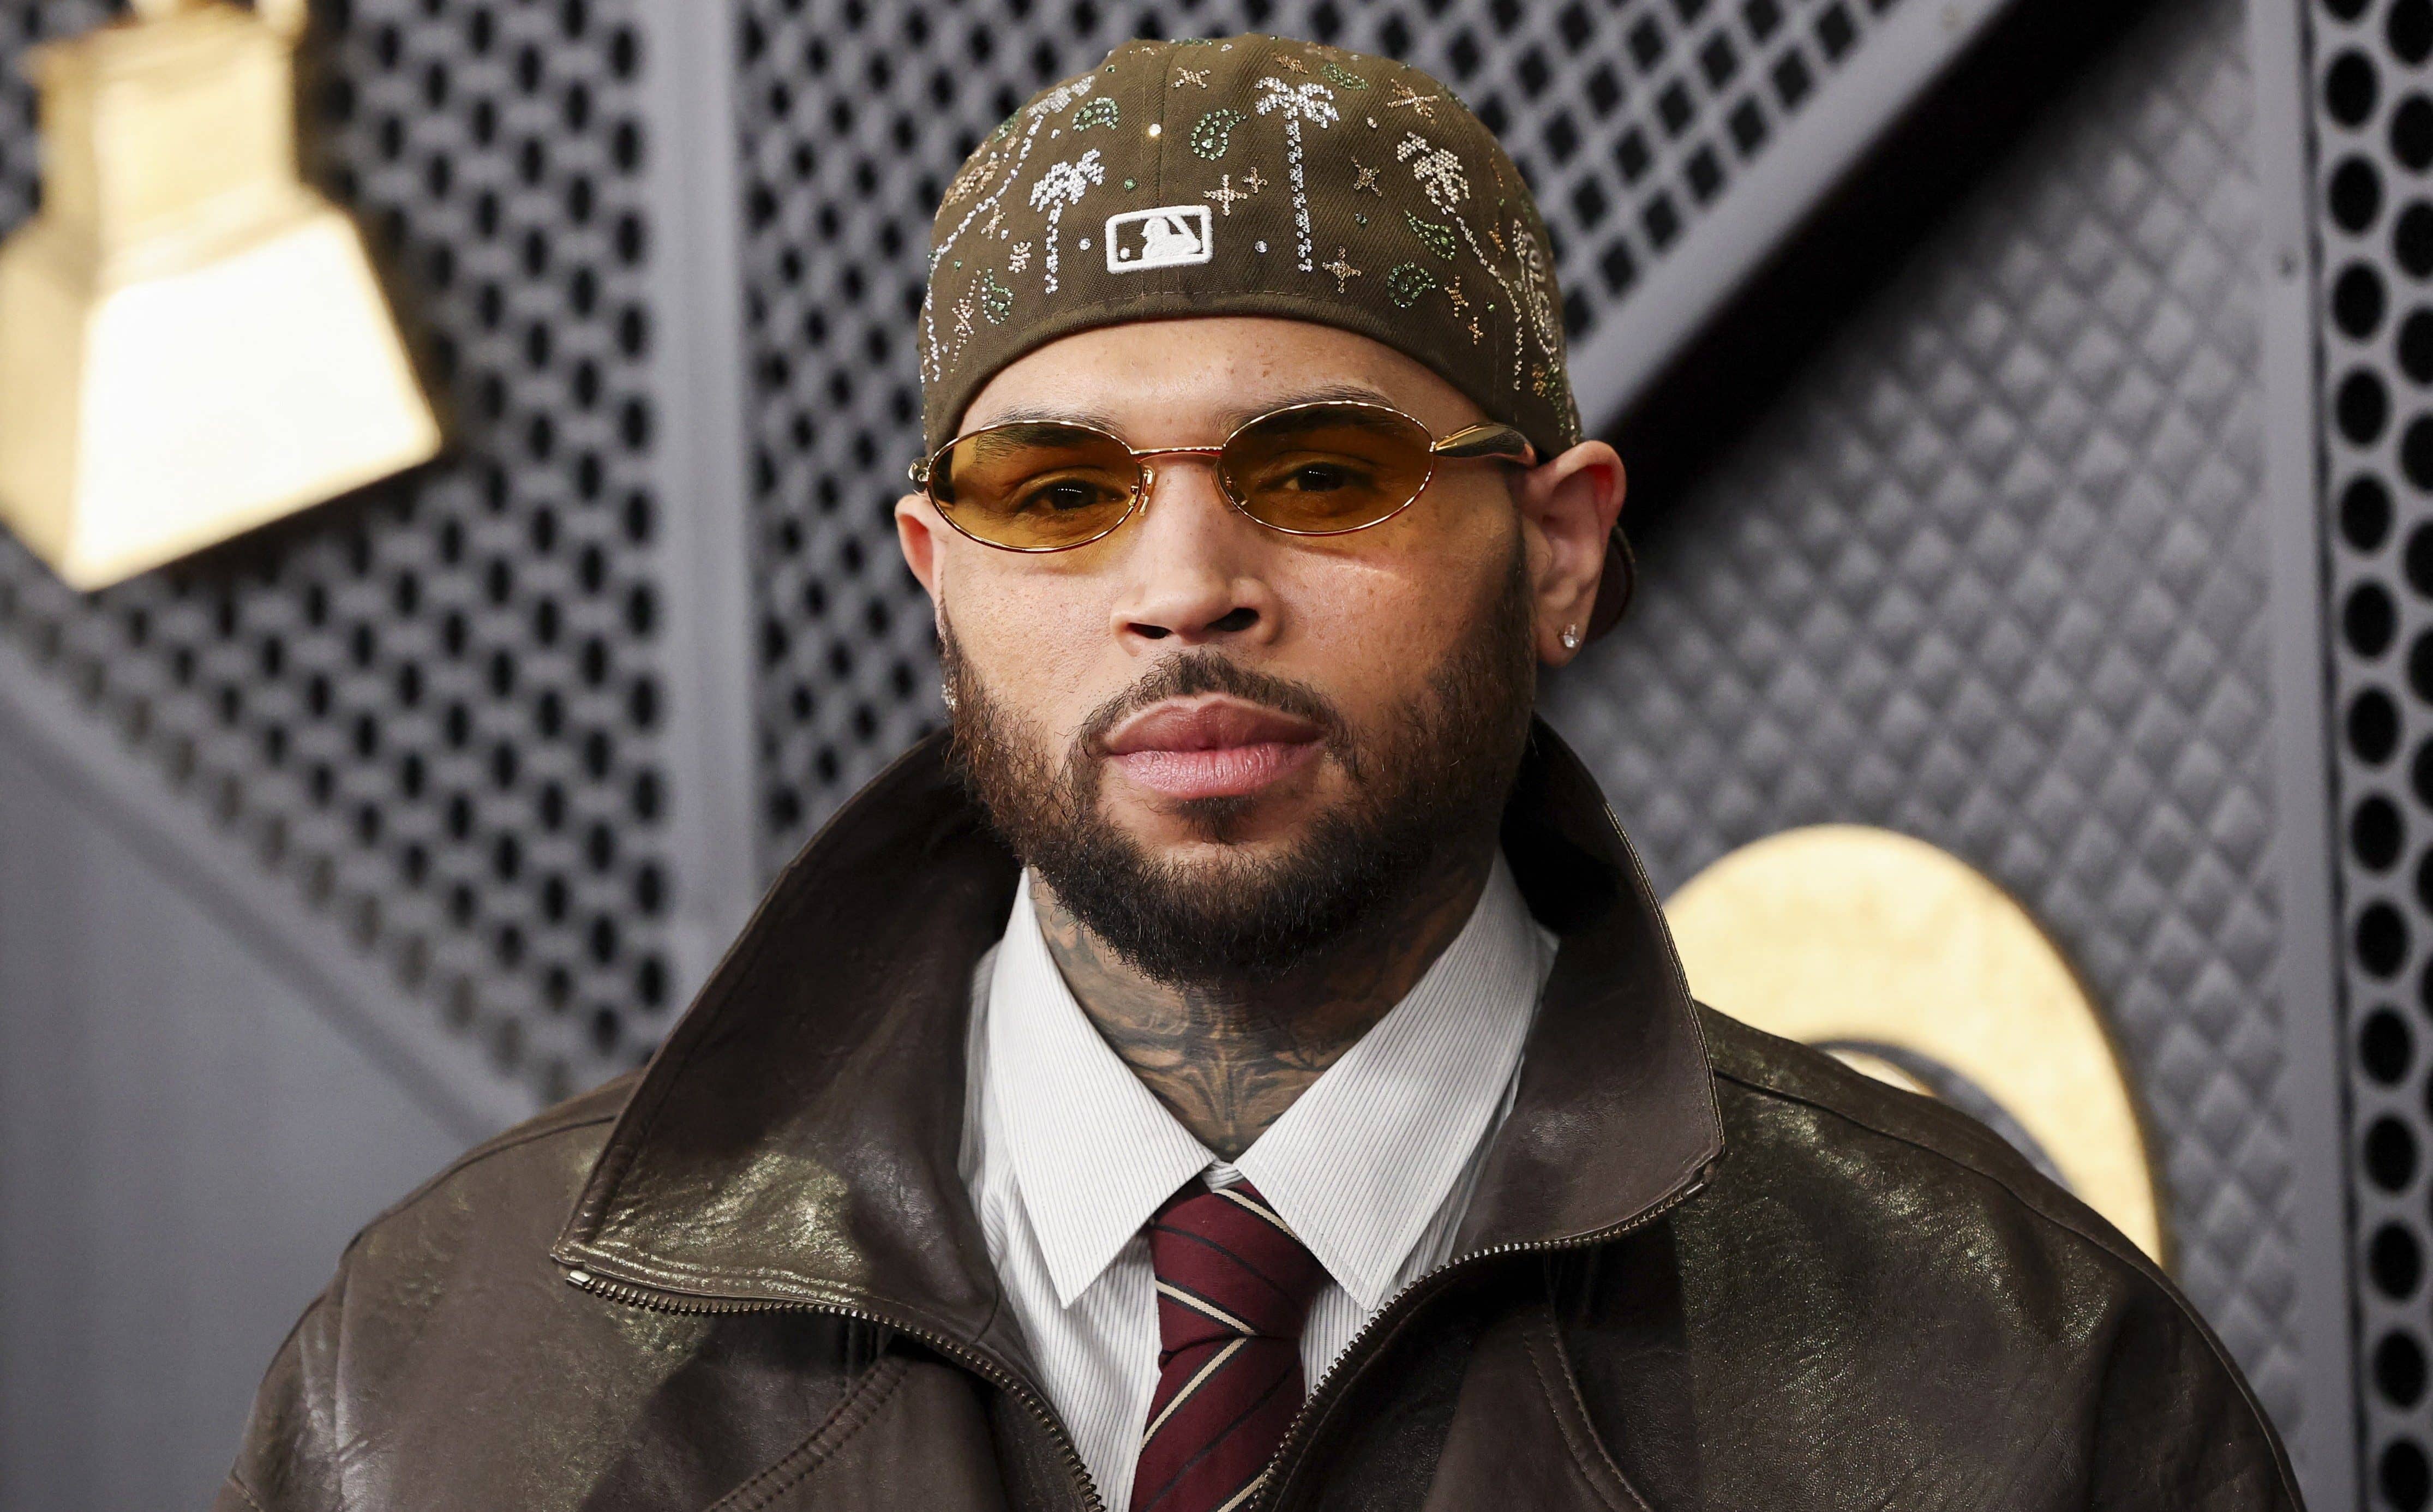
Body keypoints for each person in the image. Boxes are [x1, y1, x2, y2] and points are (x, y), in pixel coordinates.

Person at [218, 34, 2299, 1512]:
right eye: (1057, 494)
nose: (1184, 587)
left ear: (1558, 546)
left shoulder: (2002, 1375)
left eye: (1322, 473)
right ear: (939, 578)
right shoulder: (443, 1385)